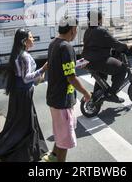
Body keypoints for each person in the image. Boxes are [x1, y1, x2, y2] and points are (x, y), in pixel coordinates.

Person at [0, 29, 48, 162]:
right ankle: (3, 153)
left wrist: (39, 77)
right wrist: (43, 69)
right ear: (24, 41)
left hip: (19, 94)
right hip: (23, 95)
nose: (33, 39)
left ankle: (30, 152)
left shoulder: (19, 54)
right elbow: (26, 78)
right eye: (31, 37)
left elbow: (24, 78)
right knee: (21, 126)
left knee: (21, 125)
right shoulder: (24, 56)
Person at [42, 16, 91, 162]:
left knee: (61, 133)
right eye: (76, 29)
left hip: (54, 98)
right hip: (62, 100)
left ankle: (52, 157)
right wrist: (86, 93)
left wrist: (75, 65)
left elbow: (61, 68)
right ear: (73, 29)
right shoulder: (67, 47)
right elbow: (70, 77)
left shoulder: (54, 44)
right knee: (65, 141)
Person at [81, 10, 131, 103]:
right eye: (102, 17)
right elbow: (114, 43)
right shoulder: (101, 31)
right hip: (99, 60)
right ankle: (111, 94)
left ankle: (97, 95)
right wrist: (126, 46)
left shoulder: (88, 30)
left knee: (102, 74)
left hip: (88, 61)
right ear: (99, 19)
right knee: (122, 68)